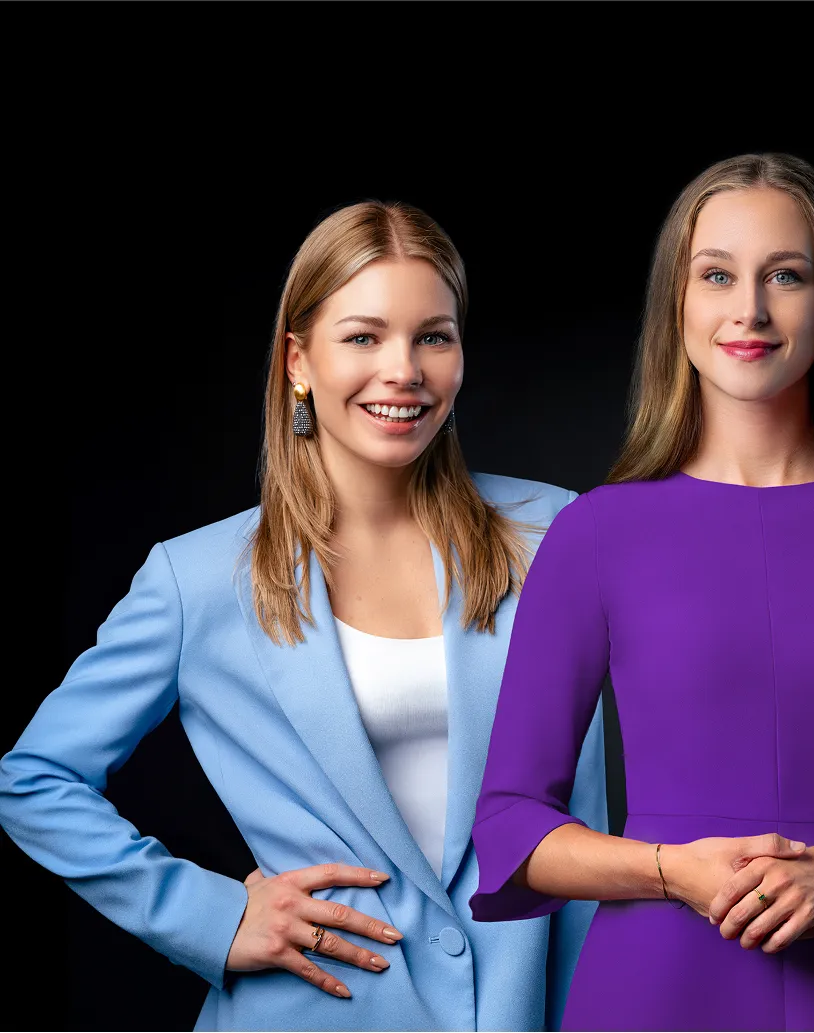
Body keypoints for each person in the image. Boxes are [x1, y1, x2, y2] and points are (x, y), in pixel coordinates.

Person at [0, 202, 604, 1029]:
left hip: (529, 1007)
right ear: (298, 360)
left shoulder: (557, 533)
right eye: (363, 337)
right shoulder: (199, 578)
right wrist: (214, 917)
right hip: (314, 1008)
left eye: (434, 335)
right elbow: (34, 780)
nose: (405, 370)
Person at [469, 153, 814, 1031]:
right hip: (657, 987)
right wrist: (673, 871)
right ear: (678, 306)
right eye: (718, 274)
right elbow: (510, 826)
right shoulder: (596, 533)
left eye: (787, 276)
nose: (751, 310)